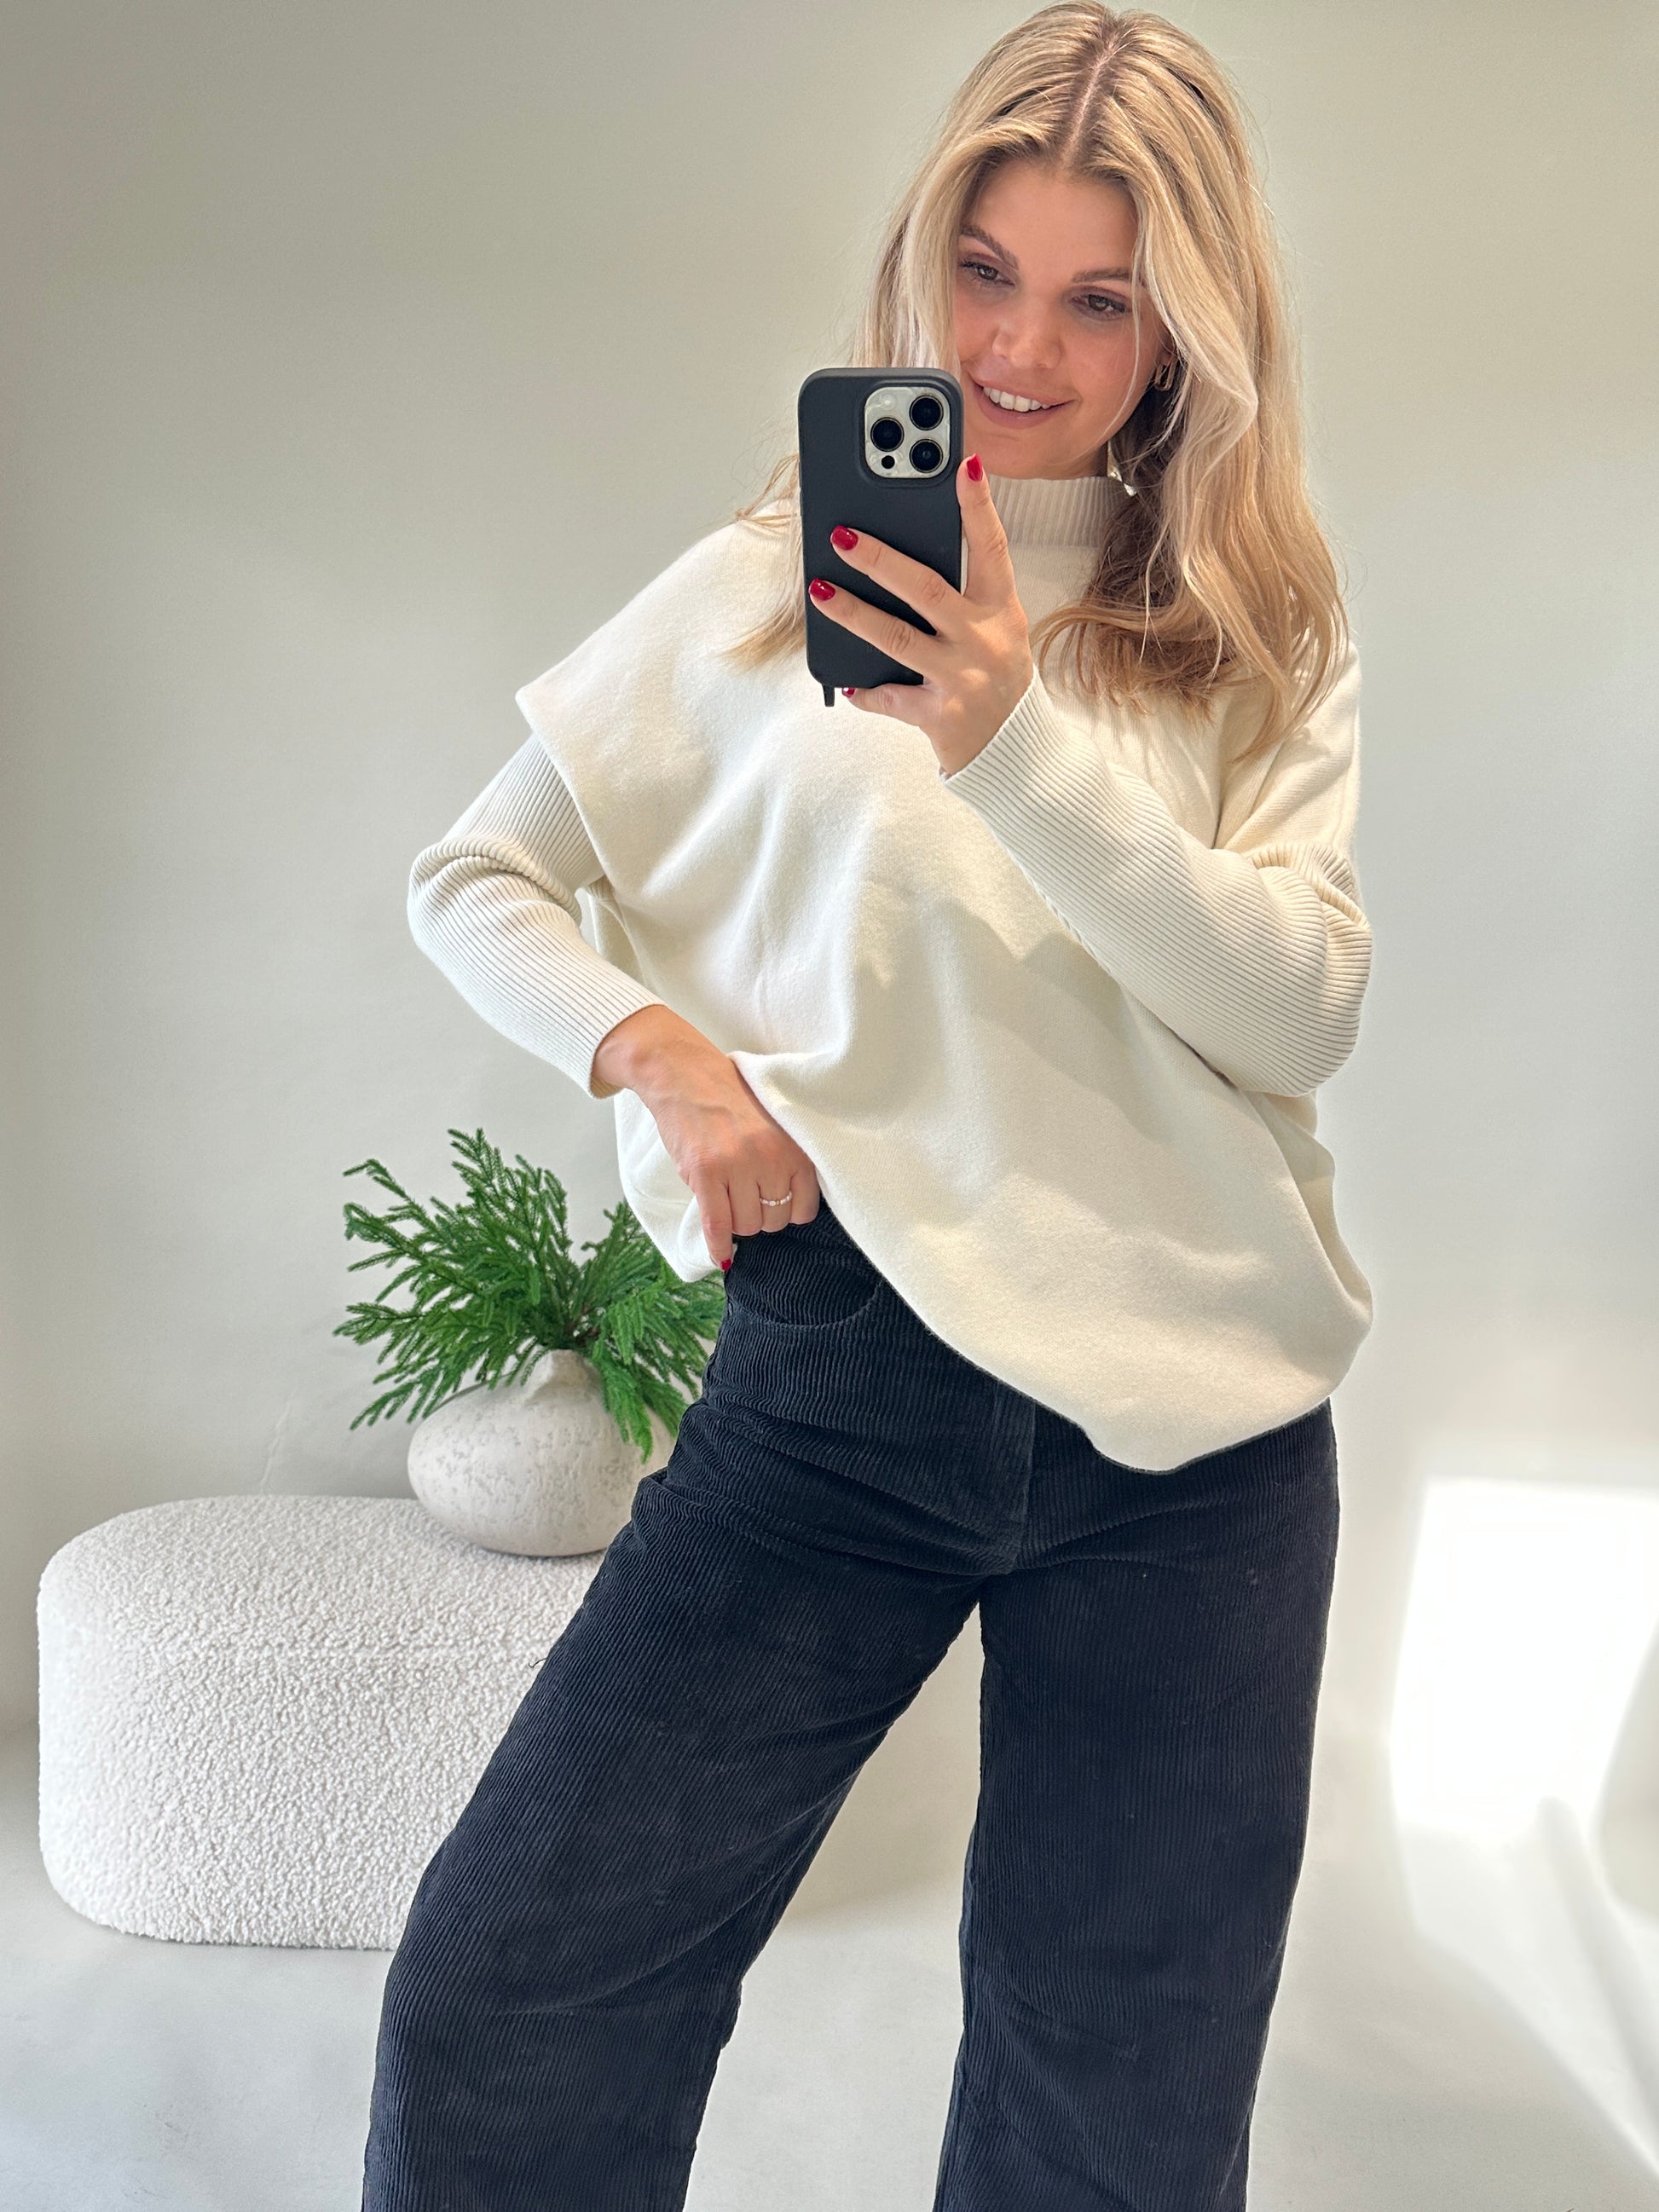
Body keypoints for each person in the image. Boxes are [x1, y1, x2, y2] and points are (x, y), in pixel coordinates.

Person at [359, 5, 1373, 2206]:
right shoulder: (773, 583)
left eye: (1101, 298)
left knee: (1113, 2124)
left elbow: (1295, 1013)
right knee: (509, 1995)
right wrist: (662, 1057)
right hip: (846, 1378)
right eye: (986, 272)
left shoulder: (1250, 625)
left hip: (1196, 1441)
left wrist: (1006, 734)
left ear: (1185, 326)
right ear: (925, 261)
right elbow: (478, 873)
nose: (1021, 349)